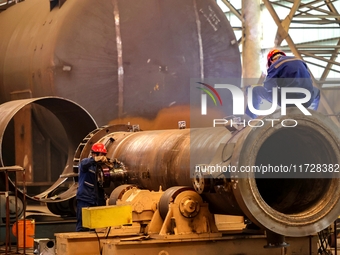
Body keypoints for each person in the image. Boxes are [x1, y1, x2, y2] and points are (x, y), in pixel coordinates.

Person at [245, 49, 320, 119]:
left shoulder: (275, 65)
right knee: (317, 92)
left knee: (255, 91)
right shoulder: (300, 61)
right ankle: (311, 116)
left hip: (288, 101)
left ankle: (249, 119)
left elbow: (268, 87)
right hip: (307, 100)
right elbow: (309, 81)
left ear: (271, 60)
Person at [76, 143, 109, 232]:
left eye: (103, 155)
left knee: (98, 227)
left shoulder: (103, 167)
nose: (101, 156)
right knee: (83, 226)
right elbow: (84, 164)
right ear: (93, 154)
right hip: (85, 199)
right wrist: (94, 160)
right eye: (99, 154)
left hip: (98, 200)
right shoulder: (86, 163)